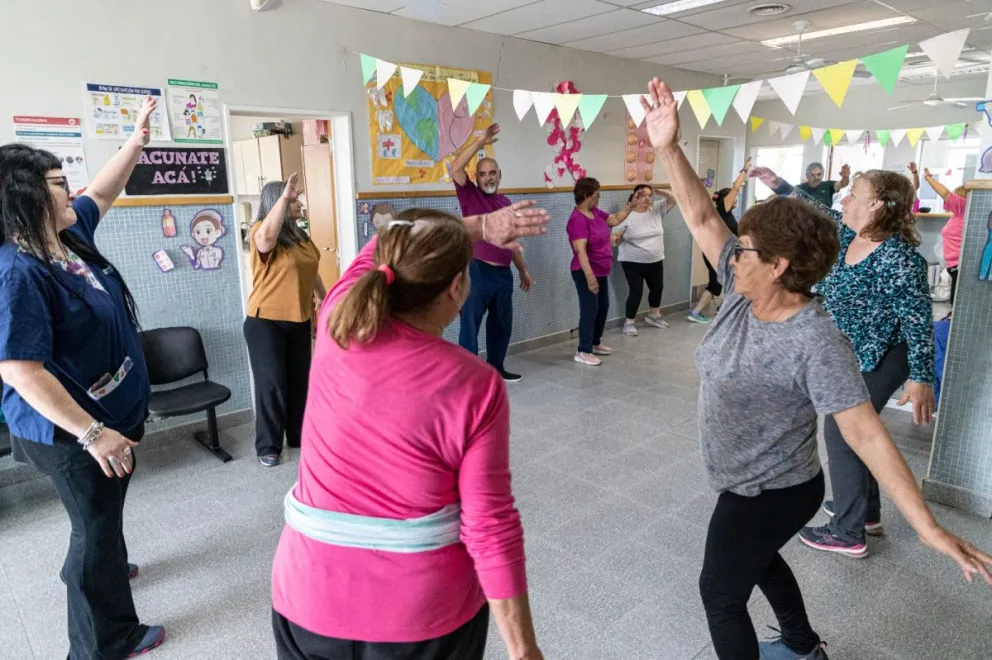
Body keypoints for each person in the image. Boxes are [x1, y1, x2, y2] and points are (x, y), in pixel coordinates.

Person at [642, 77, 992, 660]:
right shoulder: (738, 286)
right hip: (741, 478)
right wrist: (668, 148)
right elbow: (702, 216)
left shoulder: (814, 338)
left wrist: (929, 529)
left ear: (777, 265)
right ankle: (804, 646)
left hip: (773, 491)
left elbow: (866, 434)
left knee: (719, 592)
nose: (732, 251)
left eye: (745, 246)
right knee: (760, 561)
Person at [270, 202, 549, 660]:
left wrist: (477, 226)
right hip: (421, 618)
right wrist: (524, 649)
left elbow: (384, 240)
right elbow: (489, 525)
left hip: (307, 596)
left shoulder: (337, 319)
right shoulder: (474, 383)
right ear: (458, 288)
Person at [0, 98, 166, 658]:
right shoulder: (17, 271)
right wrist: (94, 434)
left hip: (107, 415)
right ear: (23, 196)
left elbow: (103, 190)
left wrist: (136, 143)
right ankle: (103, 641)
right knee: (92, 529)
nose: (69, 190)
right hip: (71, 433)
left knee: (102, 520)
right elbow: (20, 370)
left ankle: (105, 566)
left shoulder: (63, 240)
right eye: (55, 182)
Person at [752, 164, 936, 558]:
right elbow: (811, 206)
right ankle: (865, 512)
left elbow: (919, 323)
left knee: (845, 431)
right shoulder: (846, 231)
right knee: (853, 429)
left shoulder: (900, 260)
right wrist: (777, 184)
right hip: (852, 351)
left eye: (854, 193)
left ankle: (847, 532)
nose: (844, 198)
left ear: (876, 205)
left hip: (885, 355)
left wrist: (921, 378)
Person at [244, 176, 326, 467]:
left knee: (299, 382)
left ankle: (297, 434)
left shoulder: (302, 238)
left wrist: (325, 300)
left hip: (299, 318)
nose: (300, 204)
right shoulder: (261, 233)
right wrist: (283, 197)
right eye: (294, 200)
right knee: (272, 384)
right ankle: (268, 444)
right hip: (265, 322)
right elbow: (267, 238)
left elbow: (312, 272)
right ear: (278, 202)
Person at [450, 123, 534, 383]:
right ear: (476, 177)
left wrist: (522, 269)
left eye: (492, 173)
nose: (488, 177)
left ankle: (496, 367)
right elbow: (455, 167)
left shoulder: (506, 203)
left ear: (500, 175)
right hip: (477, 271)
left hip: (503, 274)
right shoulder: (469, 195)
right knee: (470, 325)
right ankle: (468, 376)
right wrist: (480, 141)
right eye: (483, 173)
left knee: (500, 325)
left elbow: (510, 240)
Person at [567, 177, 632, 366]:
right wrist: (589, 277)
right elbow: (580, 250)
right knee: (589, 310)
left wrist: (631, 205)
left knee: (602, 307)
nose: (599, 198)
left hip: (601, 270)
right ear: (586, 196)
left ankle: (595, 343)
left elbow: (614, 219)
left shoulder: (594, 212)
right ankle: (583, 351)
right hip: (585, 270)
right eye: (596, 195)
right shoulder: (577, 219)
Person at [688, 162, 750, 324]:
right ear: (725, 200)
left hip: (721, 251)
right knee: (716, 283)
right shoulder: (723, 209)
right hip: (717, 252)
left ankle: (722, 308)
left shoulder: (723, 213)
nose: (735, 199)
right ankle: (696, 311)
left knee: (731, 280)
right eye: (732, 197)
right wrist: (744, 170)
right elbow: (736, 188)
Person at [612, 184, 676, 336]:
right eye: (643, 195)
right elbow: (614, 237)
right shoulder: (626, 215)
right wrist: (615, 238)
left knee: (657, 288)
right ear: (634, 196)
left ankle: (654, 316)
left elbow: (674, 199)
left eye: (650, 195)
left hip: (655, 259)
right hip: (632, 261)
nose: (647, 198)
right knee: (636, 291)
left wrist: (662, 192)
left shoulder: (657, 209)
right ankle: (629, 323)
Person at [923, 168, 966, 304]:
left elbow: (945, 193)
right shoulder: (957, 215)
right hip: (954, 265)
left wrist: (929, 179)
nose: (950, 201)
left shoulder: (964, 209)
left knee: (957, 303)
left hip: (960, 266)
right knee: (955, 303)